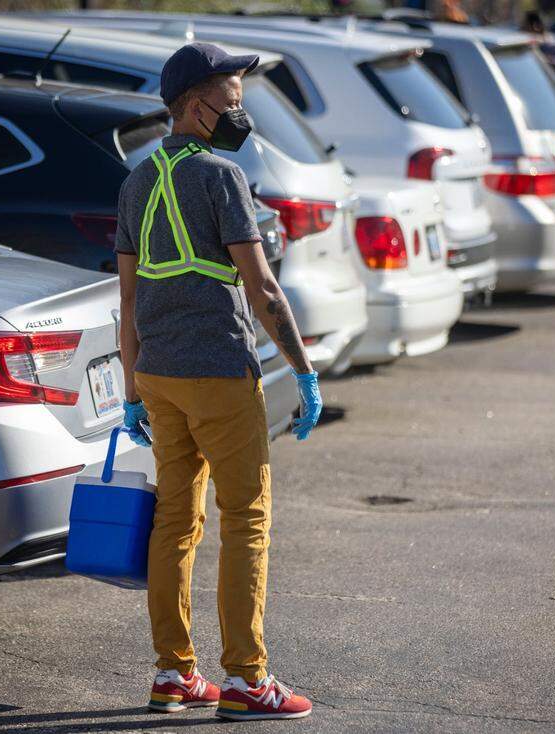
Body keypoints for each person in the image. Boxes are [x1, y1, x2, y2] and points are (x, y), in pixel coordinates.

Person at [114, 42, 321, 721]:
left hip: (160, 376)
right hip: (218, 373)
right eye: (233, 94)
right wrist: (305, 370)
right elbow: (262, 288)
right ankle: (246, 679)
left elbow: (128, 300)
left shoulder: (136, 181)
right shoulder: (221, 176)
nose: (240, 107)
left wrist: (129, 391)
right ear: (194, 105)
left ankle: (174, 675)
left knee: (175, 524)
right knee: (247, 522)